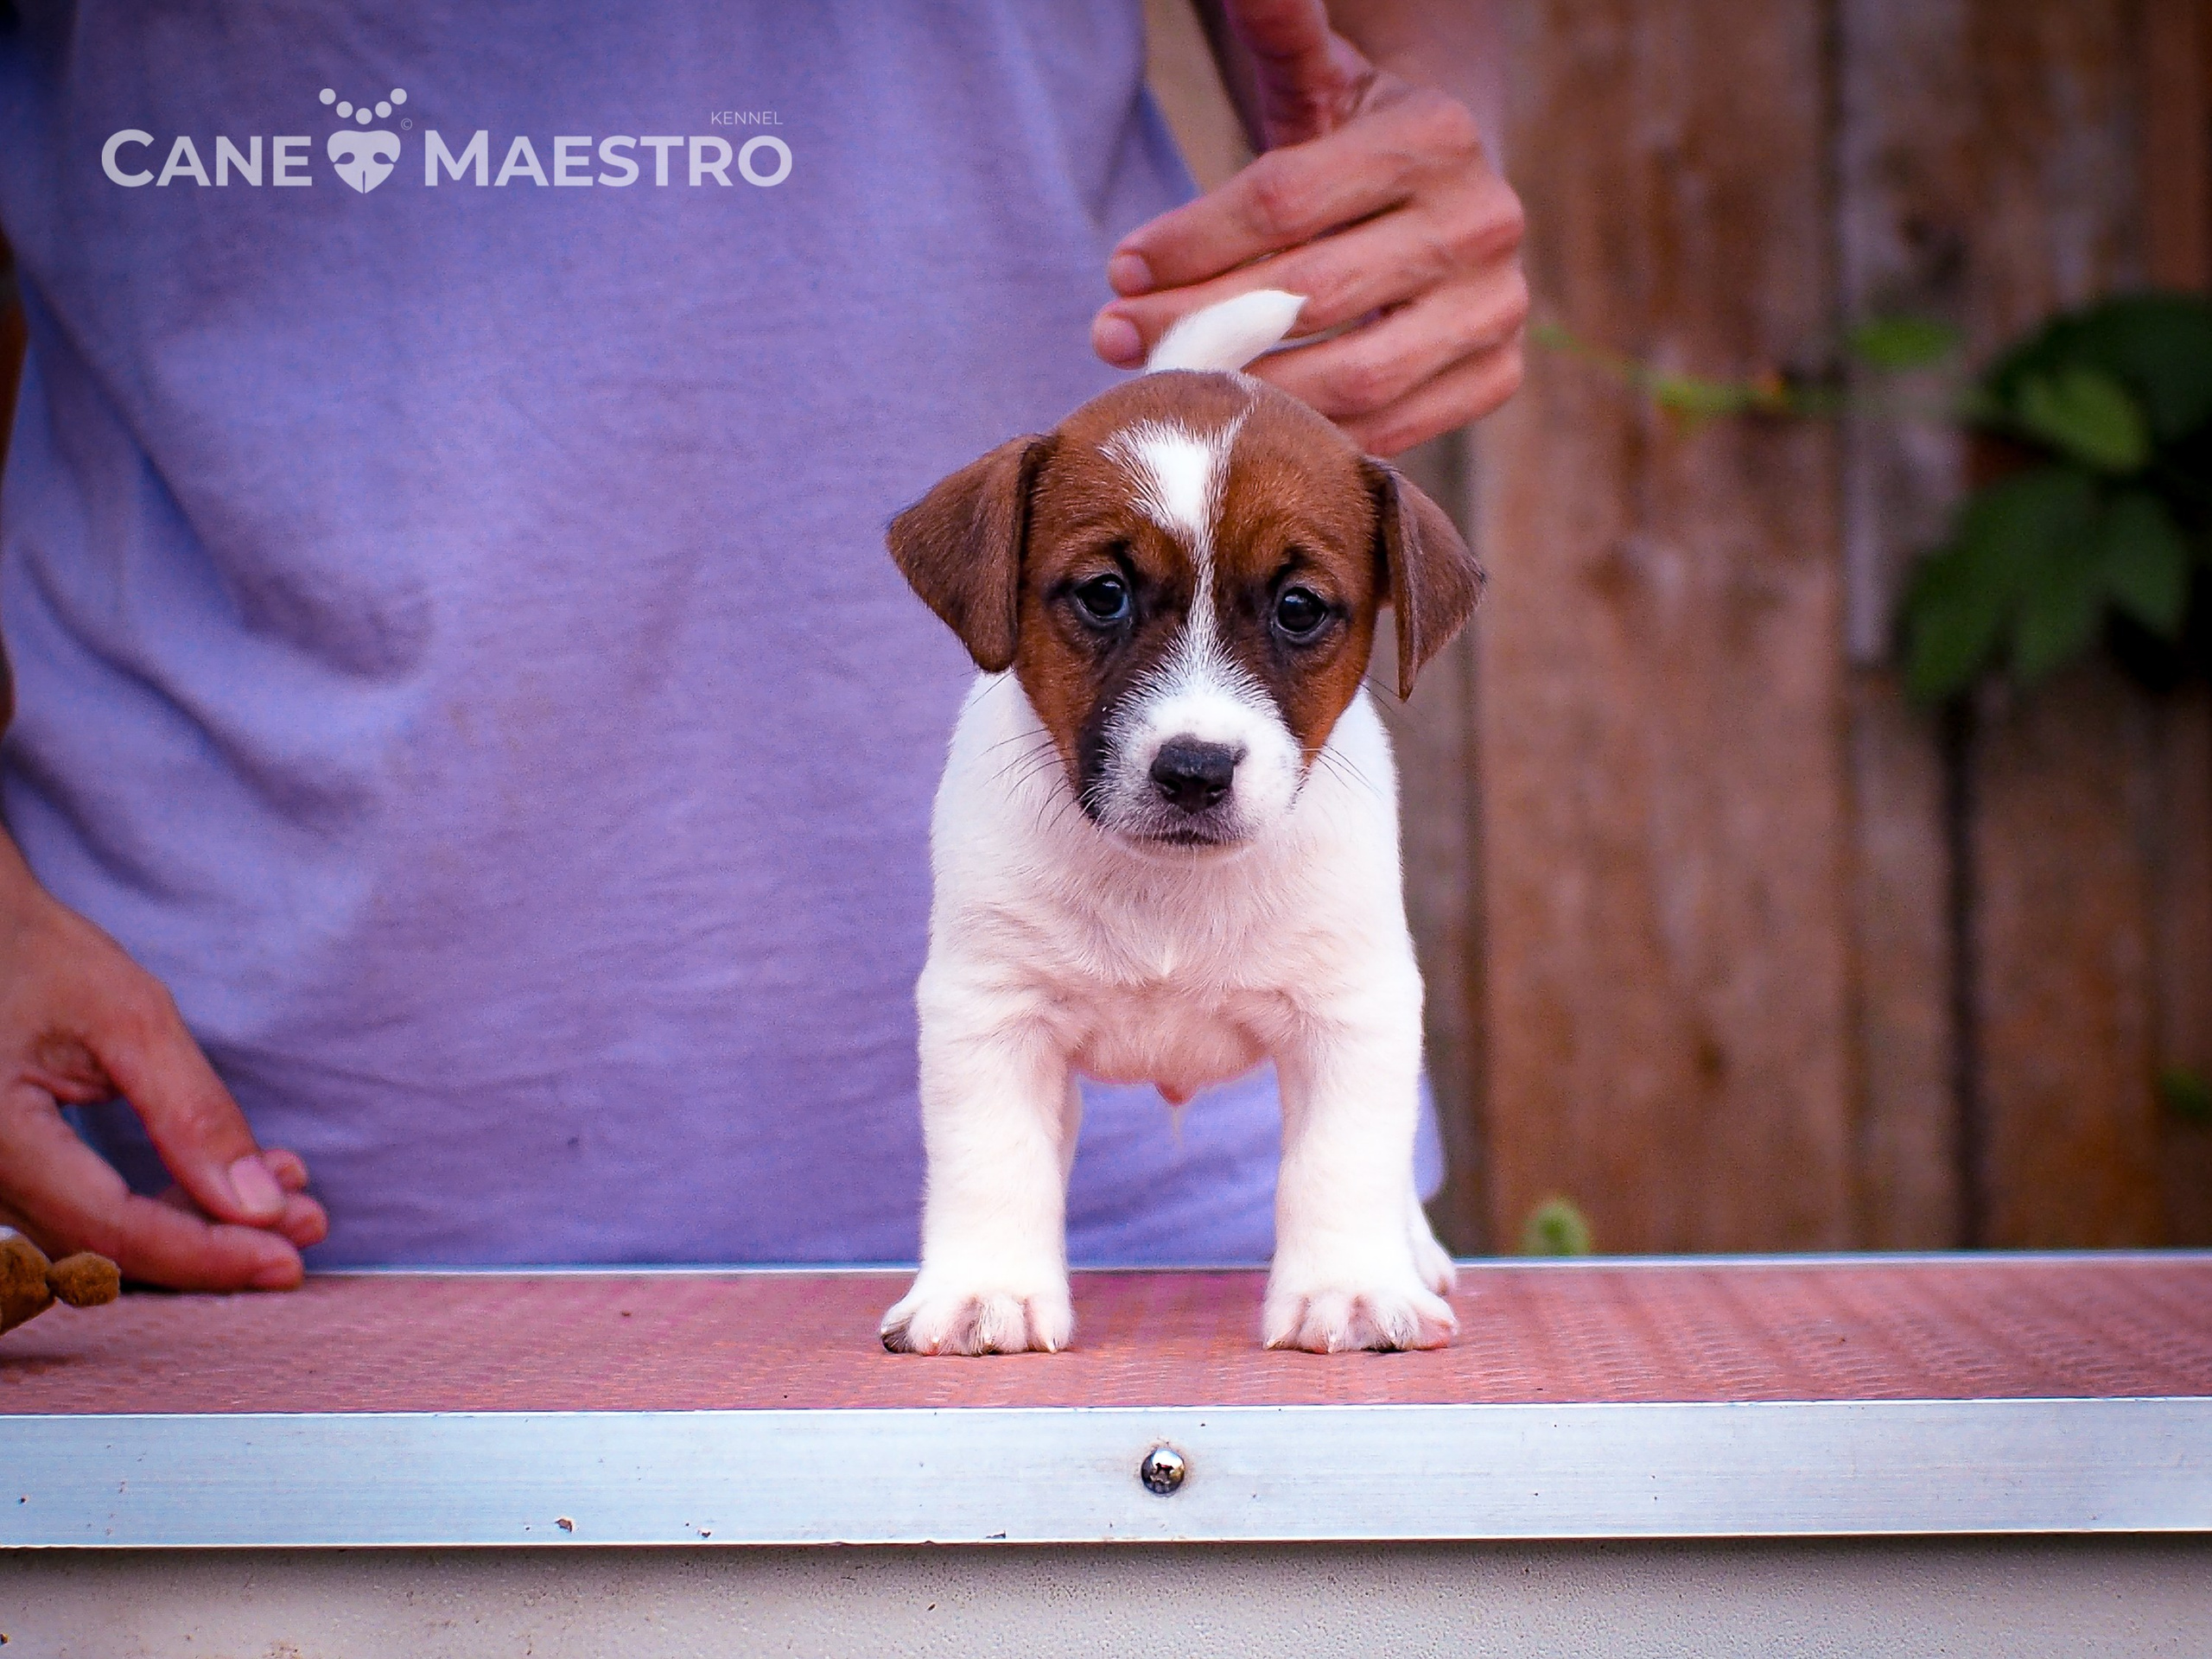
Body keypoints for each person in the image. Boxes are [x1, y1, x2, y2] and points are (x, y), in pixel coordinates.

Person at [0, 0, 1525, 1291]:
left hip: (1189, 1184)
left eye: (1308, 616)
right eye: (1107, 599)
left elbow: (1395, 49)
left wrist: (1415, 135)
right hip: (264, 1141)